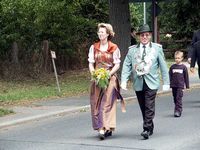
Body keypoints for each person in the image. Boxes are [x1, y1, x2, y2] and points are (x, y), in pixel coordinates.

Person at [121, 24, 170, 140]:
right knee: (143, 107)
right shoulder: (133, 50)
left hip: (152, 82)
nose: (144, 37)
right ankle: (150, 126)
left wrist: (166, 82)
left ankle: (146, 128)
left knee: (149, 105)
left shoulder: (157, 49)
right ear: (139, 36)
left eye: (147, 35)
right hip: (138, 83)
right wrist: (123, 80)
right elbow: (127, 65)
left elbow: (163, 66)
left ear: (150, 36)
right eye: (142, 35)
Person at [88, 23, 125, 140]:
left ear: (108, 34)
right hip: (97, 78)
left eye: (102, 32)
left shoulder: (114, 47)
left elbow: (117, 64)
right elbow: (90, 63)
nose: (100, 34)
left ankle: (104, 128)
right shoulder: (93, 47)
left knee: (107, 103)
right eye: (99, 32)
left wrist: (108, 74)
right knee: (96, 102)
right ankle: (100, 126)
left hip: (109, 78)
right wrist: (94, 73)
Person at [169, 51, 189, 117]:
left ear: (182, 58)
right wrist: (169, 83)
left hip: (180, 86)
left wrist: (187, 86)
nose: (177, 59)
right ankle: (177, 108)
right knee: (175, 98)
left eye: (178, 58)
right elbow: (170, 76)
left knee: (178, 98)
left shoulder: (184, 67)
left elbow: (186, 77)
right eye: (176, 58)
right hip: (173, 85)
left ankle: (178, 111)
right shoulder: (172, 67)